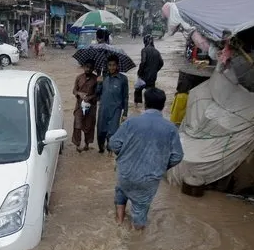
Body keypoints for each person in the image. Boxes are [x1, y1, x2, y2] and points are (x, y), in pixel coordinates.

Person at [108, 87, 183, 230]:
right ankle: (136, 240)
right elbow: (177, 156)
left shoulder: (131, 122)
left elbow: (114, 143)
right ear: (163, 106)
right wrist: (161, 166)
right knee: (140, 209)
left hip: (126, 173)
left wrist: (125, 157)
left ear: (144, 103)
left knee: (121, 191)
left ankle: (118, 221)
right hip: (149, 178)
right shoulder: (171, 128)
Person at [96, 54, 129, 154]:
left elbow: (125, 96)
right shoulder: (104, 77)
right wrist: (99, 83)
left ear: (117, 65)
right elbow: (97, 93)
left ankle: (110, 150)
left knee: (113, 132)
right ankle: (101, 148)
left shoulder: (123, 79)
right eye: (109, 65)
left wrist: (125, 113)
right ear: (107, 66)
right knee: (101, 131)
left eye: (114, 65)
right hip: (103, 109)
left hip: (116, 109)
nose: (111, 67)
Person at [72, 59, 99, 152]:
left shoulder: (96, 79)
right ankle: (77, 145)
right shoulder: (79, 77)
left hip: (90, 106)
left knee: (88, 126)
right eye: (86, 66)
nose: (88, 69)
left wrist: (90, 97)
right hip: (79, 106)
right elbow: (74, 90)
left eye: (90, 67)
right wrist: (79, 94)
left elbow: (98, 94)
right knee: (77, 125)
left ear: (93, 68)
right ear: (83, 67)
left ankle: (87, 144)